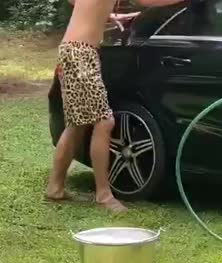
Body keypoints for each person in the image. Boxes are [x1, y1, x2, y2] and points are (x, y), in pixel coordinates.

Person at [45, 0, 185, 212]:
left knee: (77, 124)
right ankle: (103, 194)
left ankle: (55, 188)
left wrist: (104, 15)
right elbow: (150, 1)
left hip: (73, 50)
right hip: (80, 53)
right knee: (104, 121)